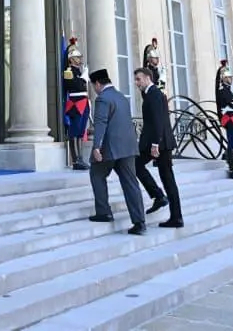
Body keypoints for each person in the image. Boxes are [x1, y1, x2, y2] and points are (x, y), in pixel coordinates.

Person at [87, 69, 146, 235]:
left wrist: (96, 146)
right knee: (131, 183)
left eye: (94, 86)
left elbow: (101, 123)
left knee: (96, 174)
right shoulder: (121, 96)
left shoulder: (102, 99)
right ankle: (140, 222)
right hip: (128, 147)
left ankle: (104, 212)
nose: (94, 89)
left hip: (110, 148)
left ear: (98, 83)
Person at [133, 68, 182, 228]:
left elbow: (158, 120)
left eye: (139, 79)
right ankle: (162, 200)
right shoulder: (152, 93)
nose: (136, 83)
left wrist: (155, 144)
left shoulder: (153, 94)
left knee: (166, 178)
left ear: (148, 78)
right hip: (159, 142)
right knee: (163, 177)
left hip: (159, 143)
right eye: (136, 80)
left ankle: (169, 208)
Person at [61, 37, 90, 170]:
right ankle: (75, 160)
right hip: (75, 103)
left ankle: (81, 158)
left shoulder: (79, 71)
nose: (80, 60)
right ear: (71, 59)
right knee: (74, 131)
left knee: (81, 131)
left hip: (83, 102)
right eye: (77, 57)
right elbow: (74, 86)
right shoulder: (68, 72)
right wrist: (83, 78)